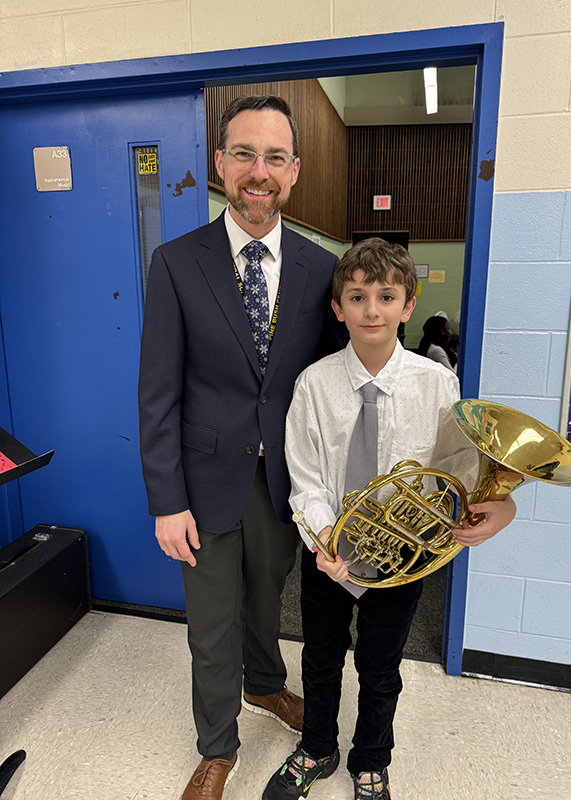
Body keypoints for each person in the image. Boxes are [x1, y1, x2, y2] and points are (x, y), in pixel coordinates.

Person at [138, 95, 343, 800]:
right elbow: (157, 392)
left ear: (294, 171)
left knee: (266, 602)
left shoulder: (323, 270)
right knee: (210, 620)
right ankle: (217, 746)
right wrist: (166, 501)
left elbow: (335, 382)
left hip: (287, 479)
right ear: (221, 164)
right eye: (245, 154)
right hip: (202, 480)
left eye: (276, 157)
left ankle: (265, 686)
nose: (261, 171)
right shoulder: (175, 262)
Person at [262, 238, 516, 800]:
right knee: (319, 659)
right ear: (338, 308)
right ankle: (317, 749)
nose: (370, 310)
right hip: (329, 551)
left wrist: (499, 506)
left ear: (407, 306)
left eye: (385, 296)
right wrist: (326, 538)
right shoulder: (314, 384)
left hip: (405, 559)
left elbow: (457, 469)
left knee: (382, 669)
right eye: (356, 296)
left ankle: (371, 761)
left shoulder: (437, 384)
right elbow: (304, 477)